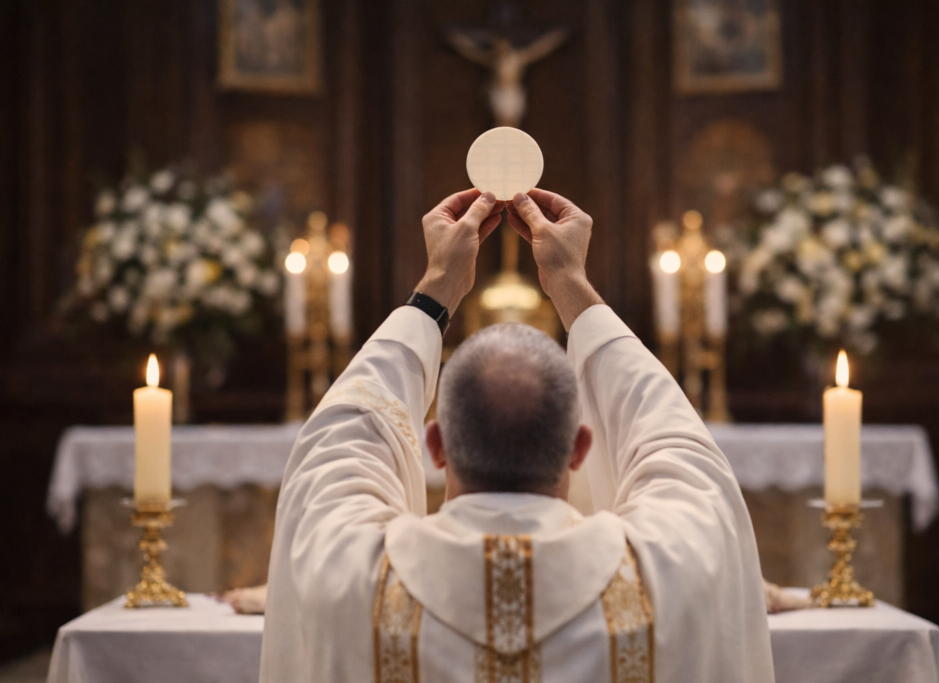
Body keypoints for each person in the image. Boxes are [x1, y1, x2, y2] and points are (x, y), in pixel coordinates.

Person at [259, 188, 774, 682]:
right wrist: (571, 282)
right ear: (580, 446)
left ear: (434, 447)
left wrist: (438, 284)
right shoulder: (673, 566)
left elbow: (341, 435)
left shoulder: (349, 573)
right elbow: (674, 434)